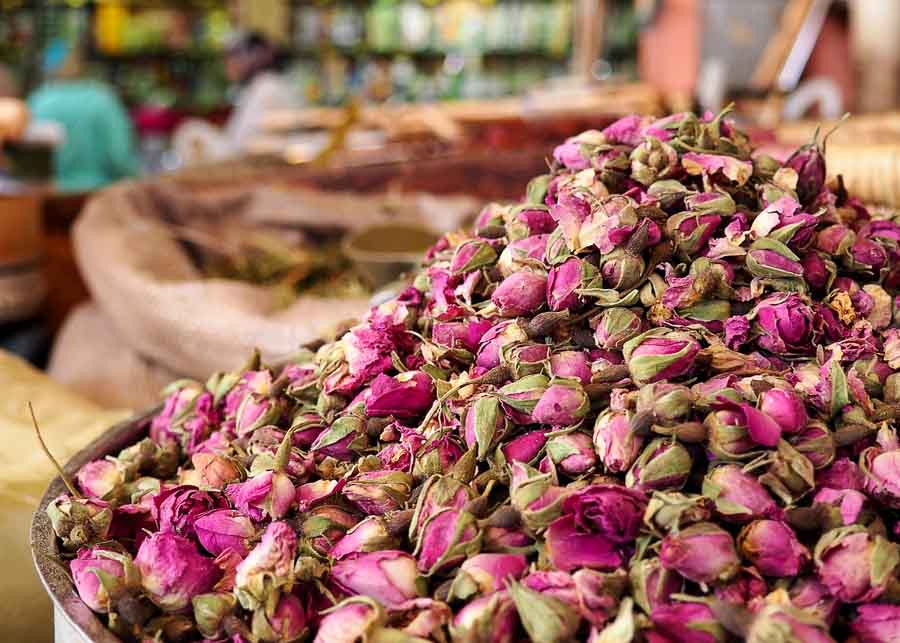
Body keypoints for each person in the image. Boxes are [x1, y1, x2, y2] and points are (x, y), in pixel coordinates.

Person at [173, 31, 300, 164]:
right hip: (245, 159)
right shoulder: (260, 86)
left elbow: (242, 147)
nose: (228, 63)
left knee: (190, 131)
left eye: (234, 56)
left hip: (252, 164)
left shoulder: (267, 87)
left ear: (256, 55)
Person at [27, 40, 138, 192]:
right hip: (100, 194)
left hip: (53, 197)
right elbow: (119, 157)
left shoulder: (38, 101)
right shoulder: (102, 99)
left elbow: (30, 163)